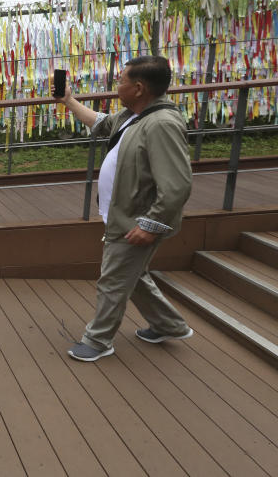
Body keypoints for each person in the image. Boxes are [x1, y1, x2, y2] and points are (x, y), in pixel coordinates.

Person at [57, 55, 194, 362]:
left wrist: (151, 224)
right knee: (131, 275)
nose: (116, 85)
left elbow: (177, 185)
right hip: (122, 217)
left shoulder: (161, 124)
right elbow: (100, 123)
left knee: (113, 279)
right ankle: (168, 324)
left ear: (139, 87)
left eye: (120, 81)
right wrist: (69, 101)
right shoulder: (135, 116)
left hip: (136, 221)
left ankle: (98, 340)